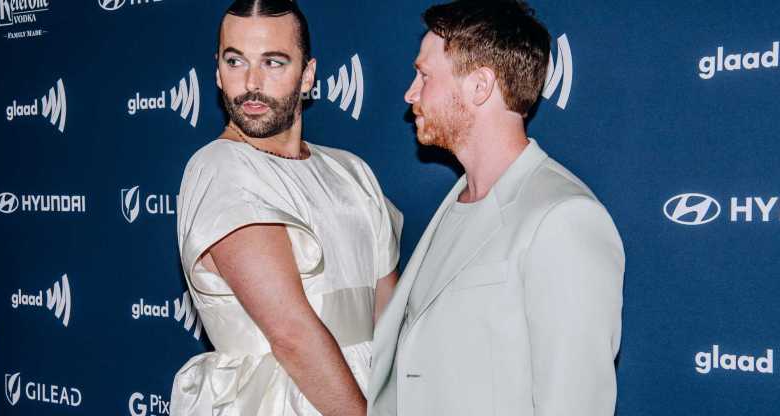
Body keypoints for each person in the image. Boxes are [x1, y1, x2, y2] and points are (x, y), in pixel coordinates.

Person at [368, 1, 625, 415]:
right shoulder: (456, 200)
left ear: (479, 86)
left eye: (425, 75)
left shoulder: (563, 219)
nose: (410, 93)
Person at [170, 1, 401, 415]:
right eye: (235, 61)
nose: (251, 83)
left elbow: (389, 314)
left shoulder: (352, 172)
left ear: (307, 74)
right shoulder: (220, 169)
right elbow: (293, 336)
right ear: (218, 73)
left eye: (273, 62)